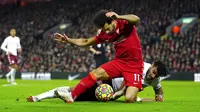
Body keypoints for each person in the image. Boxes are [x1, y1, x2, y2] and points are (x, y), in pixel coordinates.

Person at [54, 10, 143, 103]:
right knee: (95, 73)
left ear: (112, 21)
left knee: (129, 98)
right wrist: (68, 40)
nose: (107, 32)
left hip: (134, 66)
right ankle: (71, 96)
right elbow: (86, 42)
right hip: (119, 62)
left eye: (107, 28)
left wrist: (119, 16)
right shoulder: (104, 34)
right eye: (104, 30)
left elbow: (136, 19)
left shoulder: (124, 23)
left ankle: (126, 90)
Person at [27, 61, 169, 102]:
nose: (152, 76)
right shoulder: (141, 66)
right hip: (110, 83)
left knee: (79, 97)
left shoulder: (155, 79)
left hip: (112, 92)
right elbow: (124, 82)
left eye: (156, 75)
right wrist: (115, 94)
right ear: (153, 65)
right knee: (73, 89)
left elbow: (159, 88)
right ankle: (38, 97)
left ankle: (66, 95)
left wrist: (160, 95)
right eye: (154, 71)